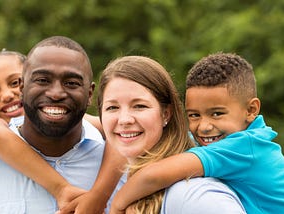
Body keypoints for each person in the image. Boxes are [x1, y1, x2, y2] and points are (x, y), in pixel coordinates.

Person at [109, 53, 284, 213]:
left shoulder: (245, 146)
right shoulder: (232, 140)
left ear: (250, 110)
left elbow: (153, 176)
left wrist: (118, 205)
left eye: (217, 114)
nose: (204, 127)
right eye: (194, 115)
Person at [0, 36, 124, 213]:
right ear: (23, 87)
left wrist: (99, 196)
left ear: (89, 94)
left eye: (71, 83)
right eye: (42, 80)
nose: (56, 94)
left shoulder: (127, 167)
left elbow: (119, 131)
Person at [95, 55, 246, 213]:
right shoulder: (119, 185)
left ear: (166, 114)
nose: (124, 120)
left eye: (139, 106)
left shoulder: (193, 195)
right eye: (112, 108)